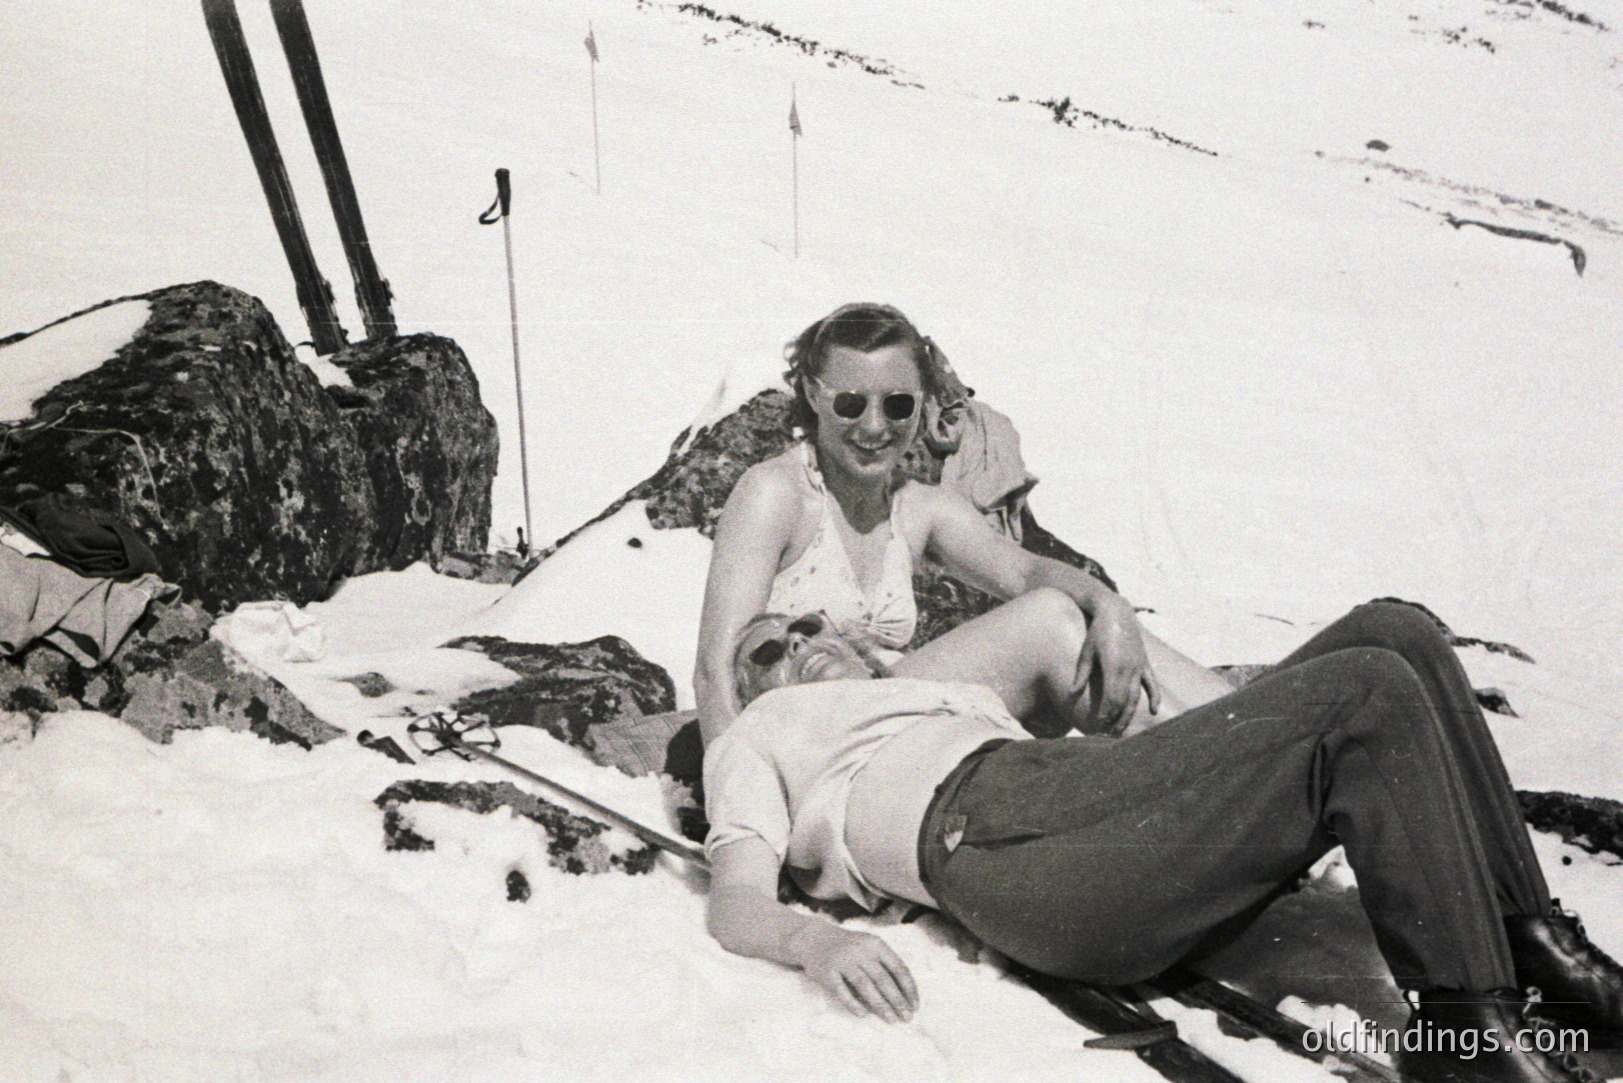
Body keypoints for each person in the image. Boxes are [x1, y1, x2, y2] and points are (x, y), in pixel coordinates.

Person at [703, 601, 1623, 1083]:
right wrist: (815, 940)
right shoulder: (760, 733)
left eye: (807, 623)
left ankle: (1528, 948)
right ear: (748, 690)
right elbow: (736, 898)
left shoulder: (915, 685)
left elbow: (1043, 605)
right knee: (1366, 687)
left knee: (1398, 634)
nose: (797, 645)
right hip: (997, 839)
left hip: (1075, 817)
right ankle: (1467, 1029)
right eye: (766, 651)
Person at [692, 302, 1237, 746]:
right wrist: (741, 809)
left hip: (896, 723)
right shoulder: (775, 494)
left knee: (1087, 615)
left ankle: (1254, 732)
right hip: (815, 747)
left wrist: (1112, 609)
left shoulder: (918, 506)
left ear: (924, 401)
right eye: (850, 404)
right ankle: (1230, 765)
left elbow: (1023, 572)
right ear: (813, 395)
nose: (874, 427)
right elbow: (716, 673)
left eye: (898, 405)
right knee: (1050, 621)